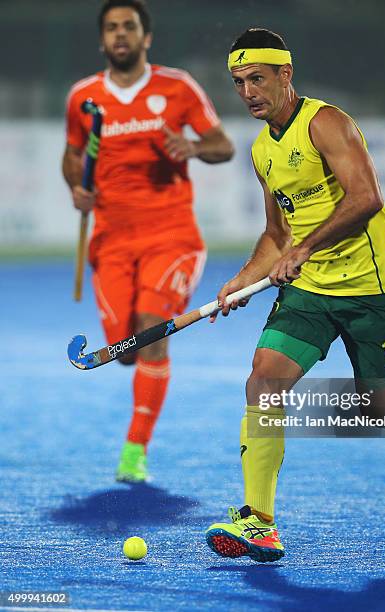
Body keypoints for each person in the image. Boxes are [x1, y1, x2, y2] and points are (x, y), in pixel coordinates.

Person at [205, 28, 385, 563]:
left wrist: (304, 247)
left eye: (257, 78)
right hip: (310, 295)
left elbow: (367, 198)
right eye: (238, 82)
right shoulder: (262, 150)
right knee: (264, 382)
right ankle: (259, 522)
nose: (249, 91)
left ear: (286, 75)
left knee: (380, 412)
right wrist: (242, 278)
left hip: (373, 293)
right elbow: (276, 235)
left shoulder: (326, 122)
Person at [62, 0, 234, 483]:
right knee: (125, 349)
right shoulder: (83, 97)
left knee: (151, 328)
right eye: (112, 28)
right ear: (102, 40)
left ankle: (134, 452)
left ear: (146, 37)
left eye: (129, 27)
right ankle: (133, 369)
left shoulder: (177, 87)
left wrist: (194, 148)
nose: (120, 34)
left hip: (171, 235)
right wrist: (77, 186)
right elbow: (72, 157)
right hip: (111, 240)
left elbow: (223, 145)